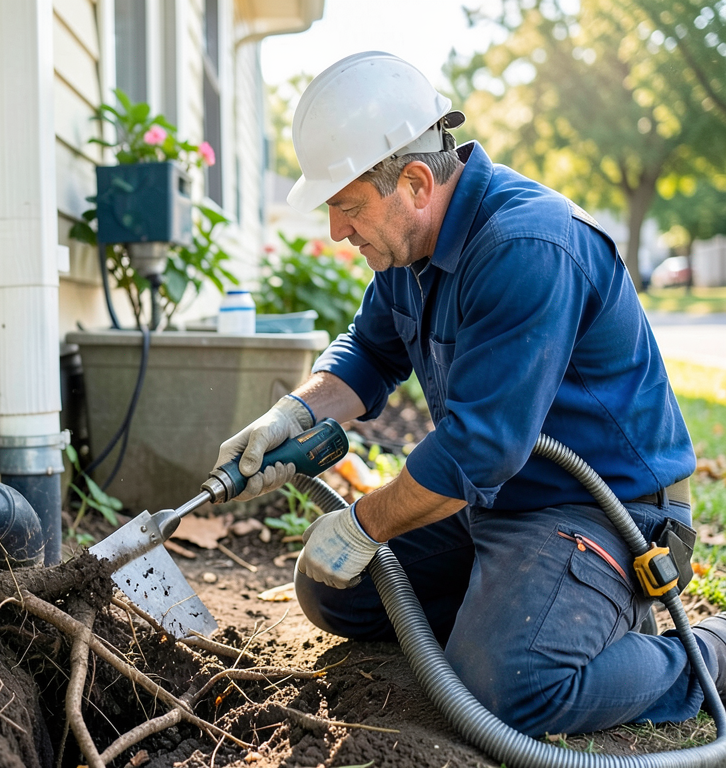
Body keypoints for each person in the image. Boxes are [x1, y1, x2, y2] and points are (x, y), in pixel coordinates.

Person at [213, 51, 726, 737]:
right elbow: (369, 352)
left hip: (601, 510)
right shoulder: (410, 249)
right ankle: (534, 616)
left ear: (416, 182)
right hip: (496, 498)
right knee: (334, 592)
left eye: (347, 206)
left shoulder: (527, 247)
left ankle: (705, 654)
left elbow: (478, 450)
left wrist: (364, 523)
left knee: (507, 690)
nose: (337, 230)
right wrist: (292, 413)